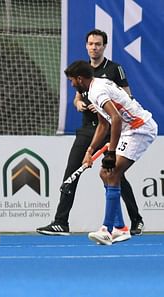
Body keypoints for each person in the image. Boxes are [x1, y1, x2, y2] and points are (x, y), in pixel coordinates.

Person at [37, 29, 145, 236]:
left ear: (104, 46)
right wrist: (78, 103)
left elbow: (127, 97)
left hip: (112, 127)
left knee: (115, 173)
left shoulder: (114, 69)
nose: (94, 47)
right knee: (72, 171)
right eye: (91, 44)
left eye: (98, 44)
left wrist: (104, 106)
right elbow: (79, 96)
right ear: (86, 46)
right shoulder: (82, 70)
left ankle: (135, 220)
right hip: (89, 129)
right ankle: (61, 222)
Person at [64, 60, 157, 245]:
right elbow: (103, 123)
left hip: (140, 128)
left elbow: (115, 118)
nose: (71, 84)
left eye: (72, 80)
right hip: (128, 129)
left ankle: (106, 229)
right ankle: (121, 228)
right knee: (104, 173)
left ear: (80, 79)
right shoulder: (93, 89)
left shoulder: (97, 91)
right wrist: (90, 150)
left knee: (112, 172)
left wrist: (111, 153)